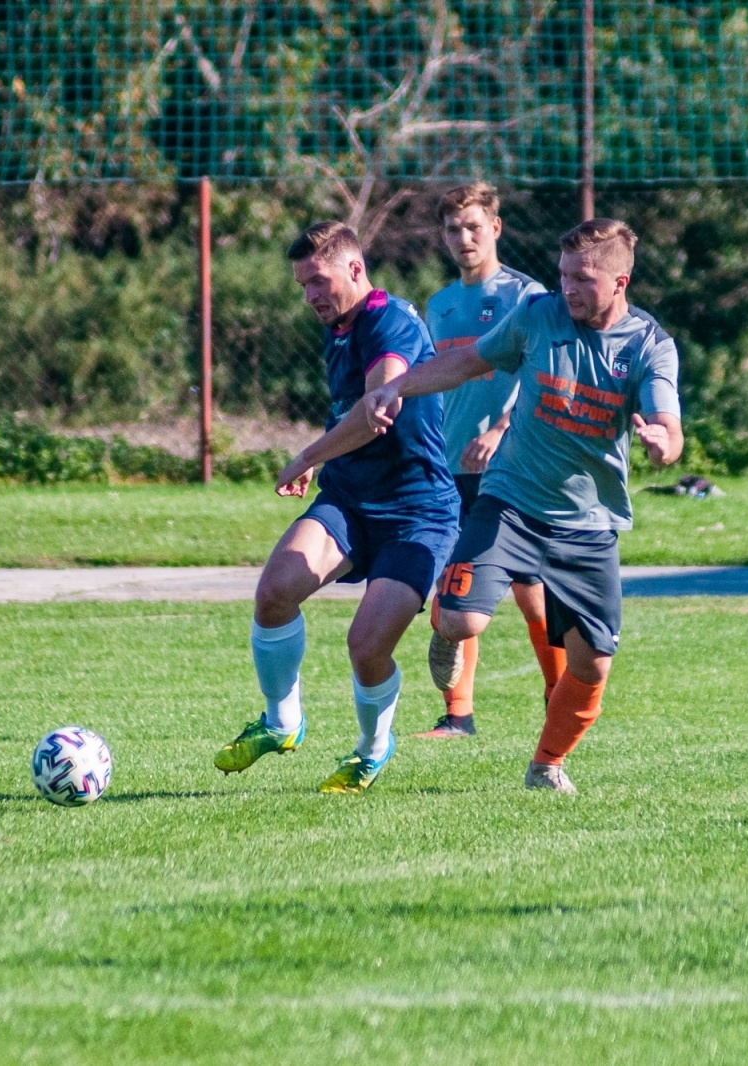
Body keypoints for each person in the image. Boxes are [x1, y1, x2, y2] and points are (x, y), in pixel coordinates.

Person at [361, 218, 683, 793]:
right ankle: (445, 625)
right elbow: (468, 362)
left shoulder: (648, 345)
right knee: (463, 619)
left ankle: (546, 764)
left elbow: (668, 423)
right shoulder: (539, 316)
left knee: (592, 667)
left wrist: (663, 442)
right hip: (509, 500)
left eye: (583, 279)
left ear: (620, 282)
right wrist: (398, 386)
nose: (569, 289)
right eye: (563, 276)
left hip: (589, 526)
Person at [213, 222, 461, 794]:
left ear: (354, 268)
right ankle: (281, 724)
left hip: (418, 513)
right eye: (302, 286)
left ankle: (372, 751)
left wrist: (306, 458)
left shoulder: (387, 320)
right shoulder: (340, 326)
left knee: (366, 646)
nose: (311, 297)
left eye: (318, 281)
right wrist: (328, 464)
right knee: (275, 592)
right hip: (350, 500)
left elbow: (379, 409)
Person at [413, 182, 552, 740]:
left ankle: (558, 690)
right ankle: (458, 716)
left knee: (529, 589)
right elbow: (435, 382)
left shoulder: (527, 295)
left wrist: (500, 428)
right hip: (450, 465)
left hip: (511, 464)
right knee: (455, 582)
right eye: (453, 229)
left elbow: (540, 372)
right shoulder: (440, 304)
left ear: (495, 227)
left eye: (473, 226)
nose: (463, 237)